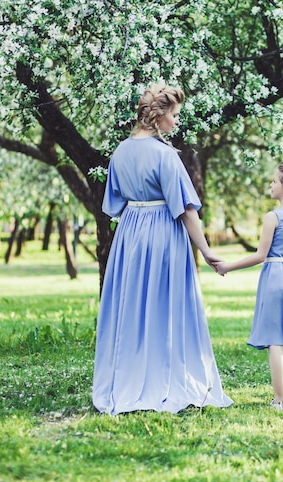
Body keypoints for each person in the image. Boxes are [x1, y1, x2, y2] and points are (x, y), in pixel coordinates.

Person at [93, 83, 233, 414]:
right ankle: (164, 376)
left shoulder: (120, 152)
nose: (177, 122)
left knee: (136, 305)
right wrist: (206, 249)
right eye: (174, 115)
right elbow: (186, 210)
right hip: (162, 233)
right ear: (158, 117)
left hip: (130, 234)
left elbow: (113, 204)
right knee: (164, 304)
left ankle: (132, 373)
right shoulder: (165, 156)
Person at [216, 158, 283, 411]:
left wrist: (227, 266)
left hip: (275, 276)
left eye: (274, 180)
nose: (270, 184)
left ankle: (278, 400)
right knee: (281, 341)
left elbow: (260, 255)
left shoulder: (274, 217)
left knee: (274, 341)